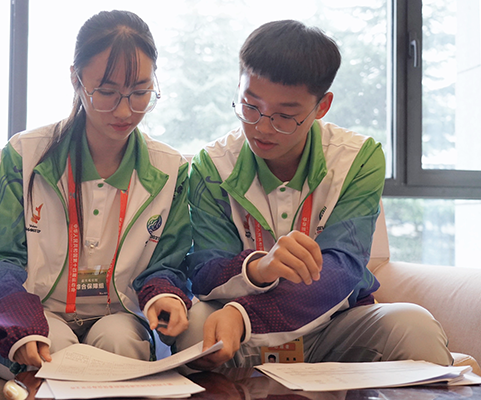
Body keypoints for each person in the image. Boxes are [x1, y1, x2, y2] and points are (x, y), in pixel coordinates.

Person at [175, 20, 452, 370]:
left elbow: (342, 269)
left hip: (334, 324)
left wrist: (245, 314)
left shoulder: (357, 158)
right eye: (250, 106)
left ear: (322, 106)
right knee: (195, 330)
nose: (262, 127)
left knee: (415, 325)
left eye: (285, 116)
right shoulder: (212, 166)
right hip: (239, 334)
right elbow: (204, 270)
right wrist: (259, 268)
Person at [0, 10, 192, 381]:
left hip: (119, 314)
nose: (125, 110)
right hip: (38, 311)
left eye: (140, 92)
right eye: (106, 92)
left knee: (122, 343)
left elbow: (168, 263)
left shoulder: (171, 169)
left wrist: (164, 295)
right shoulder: (25, 155)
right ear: (76, 79)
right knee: (52, 347)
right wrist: (20, 325)